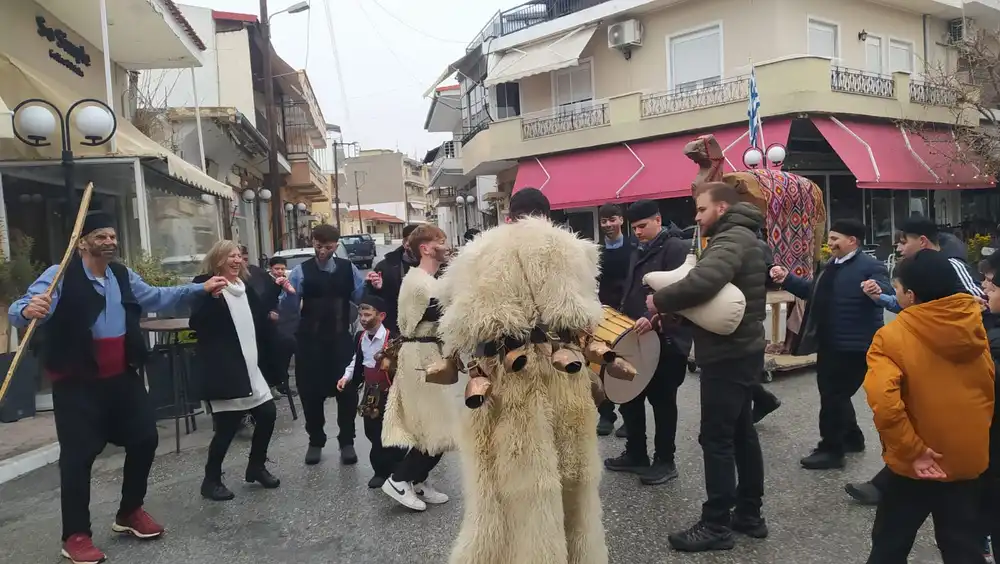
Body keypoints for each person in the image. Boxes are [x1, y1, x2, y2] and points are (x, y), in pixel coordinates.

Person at [7, 212, 228, 564]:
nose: (109, 242)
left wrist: (200, 288)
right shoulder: (60, 274)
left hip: (120, 378)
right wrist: (27, 308)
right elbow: (23, 309)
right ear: (82, 241)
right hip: (76, 381)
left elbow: (155, 297)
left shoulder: (121, 275)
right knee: (78, 459)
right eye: (101, 236)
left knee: (145, 439)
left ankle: (129, 512)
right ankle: (75, 535)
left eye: (112, 236)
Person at [439, 187, 609, 564]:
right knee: (571, 475)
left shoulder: (477, 253)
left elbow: (457, 324)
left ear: (509, 215)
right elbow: (583, 316)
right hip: (561, 374)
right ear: (546, 215)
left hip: (502, 378)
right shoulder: (570, 248)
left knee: (503, 478)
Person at [647, 182, 767, 552]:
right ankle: (748, 514)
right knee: (742, 434)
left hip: (727, 355)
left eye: (701, 210)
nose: (696, 217)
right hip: (741, 351)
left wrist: (660, 302)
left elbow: (704, 281)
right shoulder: (744, 236)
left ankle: (716, 524)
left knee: (716, 439)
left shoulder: (732, 238)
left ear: (721, 207)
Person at [863, 249, 994, 563]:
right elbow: (987, 389)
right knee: (962, 546)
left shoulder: (892, 336)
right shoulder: (975, 328)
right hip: (967, 459)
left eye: (896, 289)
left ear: (910, 295)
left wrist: (913, 451)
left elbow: (886, 404)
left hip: (917, 463)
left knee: (890, 543)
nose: (895, 295)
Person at [846, 216, 985, 505]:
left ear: (921, 241)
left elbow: (973, 303)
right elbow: (911, 305)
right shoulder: (914, 281)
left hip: (951, 339)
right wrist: (882, 298)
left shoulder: (947, 267)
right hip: (945, 343)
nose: (897, 246)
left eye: (903, 241)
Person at [771, 219, 892, 470]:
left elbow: (887, 292)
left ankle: (831, 450)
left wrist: (876, 288)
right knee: (835, 394)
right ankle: (851, 438)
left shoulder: (871, 266)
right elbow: (811, 291)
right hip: (828, 342)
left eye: (836, 238)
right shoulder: (830, 266)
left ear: (853, 241)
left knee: (833, 396)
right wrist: (787, 279)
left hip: (856, 345)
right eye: (830, 238)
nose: (831, 243)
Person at [604, 199, 690, 486]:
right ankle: (637, 453)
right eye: (634, 227)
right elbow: (632, 287)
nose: (637, 232)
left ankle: (665, 460)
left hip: (667, 339)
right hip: (634, 337)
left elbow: (682, 293)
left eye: (642, 226)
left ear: (658, 220)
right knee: (631, 396)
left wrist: (652, 316)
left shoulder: (676, 248)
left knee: (663, 401)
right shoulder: (637, 248)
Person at [191, 241, 282, 501]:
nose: (236, 260)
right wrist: (211, 299)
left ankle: (256, 466)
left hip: (251, 367)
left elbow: (261, 315)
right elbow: (195, 322)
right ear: (217, 259)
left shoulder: (243, 287)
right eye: (230, 256)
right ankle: (211, 480)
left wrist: (276, 290)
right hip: (226, 370)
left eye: (239, 256)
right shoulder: (207, 286)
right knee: (227, 428)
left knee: (267, 414)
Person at [380, 224, 455, 511]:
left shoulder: (428, 279)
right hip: (419, 356)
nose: (446, 246)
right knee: (432, 428)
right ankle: (399, 480)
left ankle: (419, 480)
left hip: (428, 352)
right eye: (441, 241)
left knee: (438, 427)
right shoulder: (419, 282)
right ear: (425, 248)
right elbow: (441, 313)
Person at [279, 224, 366, 466]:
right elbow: (288, 307)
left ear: (336, 246)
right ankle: (315, 441)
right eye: (318, 246)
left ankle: (347, 442)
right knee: (310, 393)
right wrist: (287, 294)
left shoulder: (349, 269)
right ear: (313, 245)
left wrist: (374, 287)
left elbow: (361, 298)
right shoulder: (301, 271)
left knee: (347, 392)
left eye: (327, 246)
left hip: (340, 340)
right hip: (309, 342)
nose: (322, 251)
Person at [336, 294, 405, 489]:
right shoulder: (360, 338)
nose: (363, 319)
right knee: (372, 431)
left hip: (390, 392)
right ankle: (380, 470)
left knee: (393, 429)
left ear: (381, 315)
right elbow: (356, 360)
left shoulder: (392, 338)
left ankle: (396, 468)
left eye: (368, 314)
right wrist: (347, 377)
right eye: (361, 314)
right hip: (371, 392)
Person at [595, 203, 636, 438]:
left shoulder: (634, 247)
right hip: (604, 315)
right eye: (604, 221)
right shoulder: (597, 252)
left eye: (612, 219)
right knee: (600, 364)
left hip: (629, 314)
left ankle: (629, 417)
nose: (608, 225)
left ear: (621, 220)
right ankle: (606, 414)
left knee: (627, 364)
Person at [752, 230, 782, 424]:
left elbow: (771, 281)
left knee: (739, 369)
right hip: (744, 312)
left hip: (747, 314)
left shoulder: (757, 246)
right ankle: (764, 399)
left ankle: (763, 400)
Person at [366, 224, 418, 334]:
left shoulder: (436, 265)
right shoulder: (385, 266)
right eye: (413, 242)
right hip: (394, 329)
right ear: (405, 243)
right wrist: (377, 288)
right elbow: (370, 300)